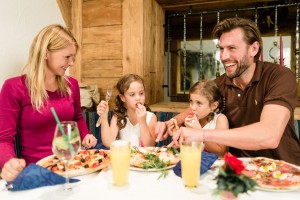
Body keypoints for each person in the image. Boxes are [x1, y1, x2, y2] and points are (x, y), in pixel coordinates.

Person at [156, 17, 300, 165]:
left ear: (254, 49)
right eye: (221, 49)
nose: (223, 57)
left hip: (283, 170)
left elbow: (269, 135)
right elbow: (197, 106)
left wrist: (201, 134)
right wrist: (172, 122)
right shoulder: (219, 84)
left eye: (232, 48)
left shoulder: (279, 76)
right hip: (236, 170)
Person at [0, 24, 97, 181]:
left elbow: (77, 117)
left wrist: (85, 134)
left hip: (75, 165)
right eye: (67, 57)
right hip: (39, 171)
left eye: (73, 57)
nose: (71, 63)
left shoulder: (72, 84)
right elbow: (4, 139)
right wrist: (9, 163)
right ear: (46, 53)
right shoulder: (13, 88)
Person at [168, 80, 228, 157]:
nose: (192, 107)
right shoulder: (190, 121)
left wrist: (199, 131)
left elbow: (221, 153)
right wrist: (177, 137)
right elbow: (186, 152)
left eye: (199, 103)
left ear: (213, 106)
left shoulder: (220, 120)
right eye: (191, 101)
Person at [97, 74, 157, 147]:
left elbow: (150, 146)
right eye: (132, 95)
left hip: (142, 157)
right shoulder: (118, 117)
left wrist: (142, 122)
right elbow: (108, 143)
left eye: (141, 93)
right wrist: (104, 117)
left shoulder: (151, 117)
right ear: (122, 98)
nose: (138, 98)